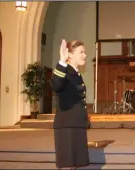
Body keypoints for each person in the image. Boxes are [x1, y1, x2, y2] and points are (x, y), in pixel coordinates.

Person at [51, 39, 90, 170]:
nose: (85, 55)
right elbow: (56, 85)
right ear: (70, 54)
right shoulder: (65, 71)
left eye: (84, 52)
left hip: (76, 123)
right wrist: (62, 61)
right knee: (68, 165)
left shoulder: (76, 73)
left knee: (76, 164)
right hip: (67, 125)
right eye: (81, 52)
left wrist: (84, 120)